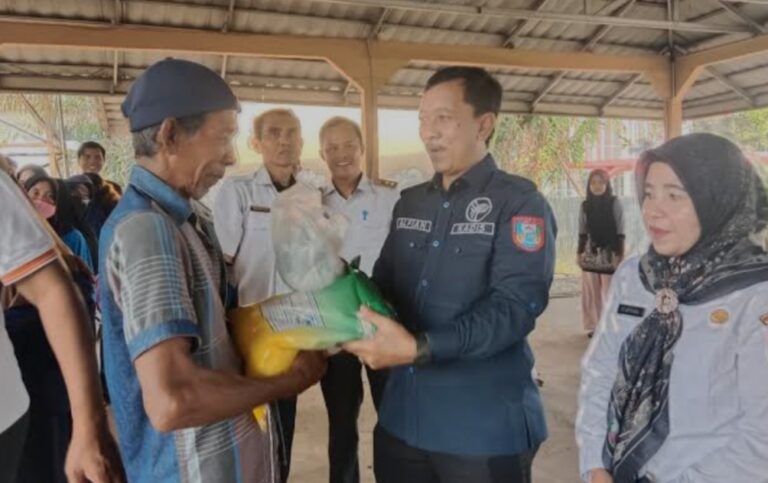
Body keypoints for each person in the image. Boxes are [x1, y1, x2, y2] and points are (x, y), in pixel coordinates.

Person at [99, 58, 325, 483]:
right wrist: (287, 382)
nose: (231, 155)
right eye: (222, 137)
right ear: (170, 134)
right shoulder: (149, 231)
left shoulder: (185, 218)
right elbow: (173, 401)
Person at [343, 66, 556, 483]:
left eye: (443, 118)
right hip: (402, 422)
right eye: (423, 119)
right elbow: (383, 287)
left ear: (484, 124)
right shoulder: (410, 204)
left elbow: (515, 307)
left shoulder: (519, 202)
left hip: (482, 428)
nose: (429, 133)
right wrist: (335, 293)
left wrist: (420, 347)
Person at [576, 133, 768, 483]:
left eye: (674, 195)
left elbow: (761, 441)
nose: (652, 209)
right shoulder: (636, 275)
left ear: (716, 201)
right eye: (648, 193)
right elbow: (601, 369)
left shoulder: (755, 293)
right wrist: (594, 463)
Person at [0, 170, 123, 483]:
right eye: (34, 193)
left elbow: (58, 291)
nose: (41, 201)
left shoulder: (72, 242)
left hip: (23, 402)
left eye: (50, 196)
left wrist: (88, 423)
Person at [213, 107, 305, 482]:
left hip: (295, 327)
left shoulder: (310, 194)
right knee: (250, 425)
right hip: (250, 329)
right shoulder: (239, 192)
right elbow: (224, 267)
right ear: (257, 143)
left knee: (284, 422)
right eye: (274, 133)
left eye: (292, 133)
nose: (284, 141)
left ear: (302, 141)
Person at [318, 116, 399, 483]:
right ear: (322, 154)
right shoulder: (311, 202)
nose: (341, 155)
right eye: (332, 148)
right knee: (341, 423)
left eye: (348, 145)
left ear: (362, 148)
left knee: (394, 417)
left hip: (383, 325)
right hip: (337, 330)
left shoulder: (390, 197)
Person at [577, 169, 625, 337]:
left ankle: (612, 327)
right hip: (590, 253)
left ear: (607, 184)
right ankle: (596, 326)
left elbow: (620, 230)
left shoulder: (614, 202)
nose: (597, 186)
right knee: (592, 292)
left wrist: (620, 253)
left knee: (610, 291)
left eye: (600, 182)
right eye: (593, 183)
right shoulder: (585, 206)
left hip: (609, 252)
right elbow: (582, 232)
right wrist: (579, 253)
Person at [24, 174, 96, 272]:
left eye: (50, 196)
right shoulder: (12, 233)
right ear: (24, 194)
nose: (41, 199)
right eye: (35, 193)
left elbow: (86, 279)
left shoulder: (71, 237)